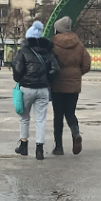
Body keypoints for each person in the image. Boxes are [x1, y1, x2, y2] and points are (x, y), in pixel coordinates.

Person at [10, 20, 60, 160]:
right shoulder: (48, 51)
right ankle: (39, 150)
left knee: (24, 118)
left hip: (26, 88)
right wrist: (47, 79)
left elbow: (17, 68)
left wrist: (19, 78)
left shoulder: (24, 51)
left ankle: (24, 146)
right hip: (43, 89)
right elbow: (55, 69)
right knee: (41, 120)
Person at [49, 16, 93, 155]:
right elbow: (86, 64)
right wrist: (76, 74)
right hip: (73, 86)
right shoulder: (78, 44)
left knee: (58, 115)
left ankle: (59, 147)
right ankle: (75, 133)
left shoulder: (53, 44)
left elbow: (49, 63)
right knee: (70, 112)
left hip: (57, 84)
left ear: (58, 29)